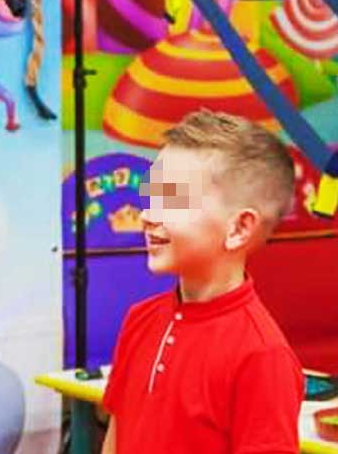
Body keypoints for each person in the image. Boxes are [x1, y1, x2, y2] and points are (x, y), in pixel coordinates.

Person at [101, 110, 305, 453]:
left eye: (172, 200)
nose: (148, 215)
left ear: (239, 228)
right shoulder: (140, 320)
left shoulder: (262, 357)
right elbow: (115, 439)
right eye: (152, 197)